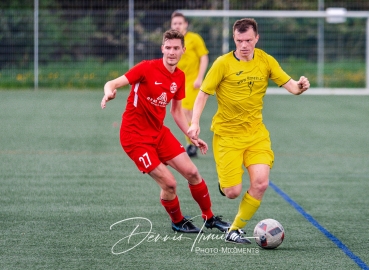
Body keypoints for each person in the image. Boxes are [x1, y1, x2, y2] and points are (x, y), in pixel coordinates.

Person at [188, 18, 310, 243]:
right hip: (227, 136)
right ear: (234, 39)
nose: (243, 45)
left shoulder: (265, 60)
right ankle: (225, 185)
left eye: (248, 40)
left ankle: (234, 229)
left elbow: (291, 86)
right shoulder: (222, 64)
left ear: (256, 39)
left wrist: (300, 87)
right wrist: (195, 122)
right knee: (233, 192)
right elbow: (203, 94)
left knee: (261, 183)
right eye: (239, 40)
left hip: (256, 135)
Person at [101, 29, 230, 234]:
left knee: (193, 173)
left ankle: (210, 218)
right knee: (170, 184)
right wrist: (109, 92)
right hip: (135, 138)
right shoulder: (145, 68)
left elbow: (177, 111)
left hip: (158, 133)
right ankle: (178, 221)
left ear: (183, 50)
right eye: (168, 48)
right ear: (162, 48)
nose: (171, 52)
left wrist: (192, 135)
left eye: (176, 48)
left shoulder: (179, 77)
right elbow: (113, 83)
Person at [171, 12, 209, 158]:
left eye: (180, 23)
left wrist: (200, 77)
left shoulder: (194, 39)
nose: (177, 26)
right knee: (183, 112)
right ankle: (192, 142)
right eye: (174, 23)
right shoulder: (172, 41)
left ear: (185, 24)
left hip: (192, 83)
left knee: (186, 111)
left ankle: (192, 144)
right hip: (178, 82)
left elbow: (204, 57)